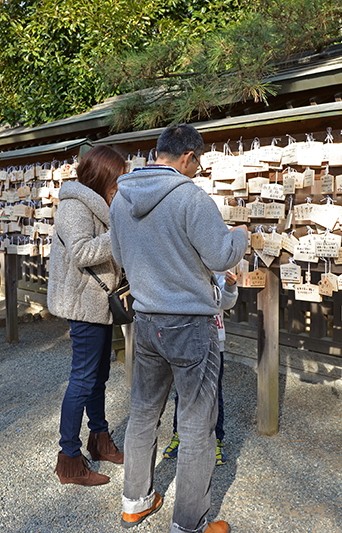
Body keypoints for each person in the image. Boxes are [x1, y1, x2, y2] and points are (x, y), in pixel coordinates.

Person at [110, 123, 247, 533]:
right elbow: (222, 254)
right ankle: (189, 523)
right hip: (189, 322)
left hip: (146, 319)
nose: (198, 168)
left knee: (142, 414)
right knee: (196, 426)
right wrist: (240, 235)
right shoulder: (190, 197)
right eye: (198, 161)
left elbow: (118, 255)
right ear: (187, 156)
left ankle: (134, 502)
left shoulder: (121, 198)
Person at [47, 145, 126, 486]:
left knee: (99, 375)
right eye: (118, 176)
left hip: (100, 303)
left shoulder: (99, 204)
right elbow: (81, 253)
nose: (122, 182)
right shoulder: (74, 206)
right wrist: (121, 234)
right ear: (102, 176)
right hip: (84, 304)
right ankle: (69, 458)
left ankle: (99, 438)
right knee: (82, 379)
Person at [164, 270, 237, 466]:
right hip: (185, 335)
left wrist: (230, 286)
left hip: (214, 337)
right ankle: (179, 434)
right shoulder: (183, 260)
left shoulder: (219, 266)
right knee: (183, 389)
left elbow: (226, 303)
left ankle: (216, 440)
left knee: (214, 391)